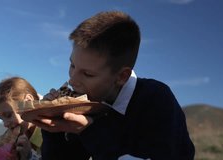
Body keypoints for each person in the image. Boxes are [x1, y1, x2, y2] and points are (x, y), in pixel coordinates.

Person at [34, 11, 195, 159]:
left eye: (88, 74)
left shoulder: (156, 100)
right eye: (72, 66)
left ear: (121, 77)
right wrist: (54, 128)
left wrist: (89, 130)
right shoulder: (90, 103)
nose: (72, 80)